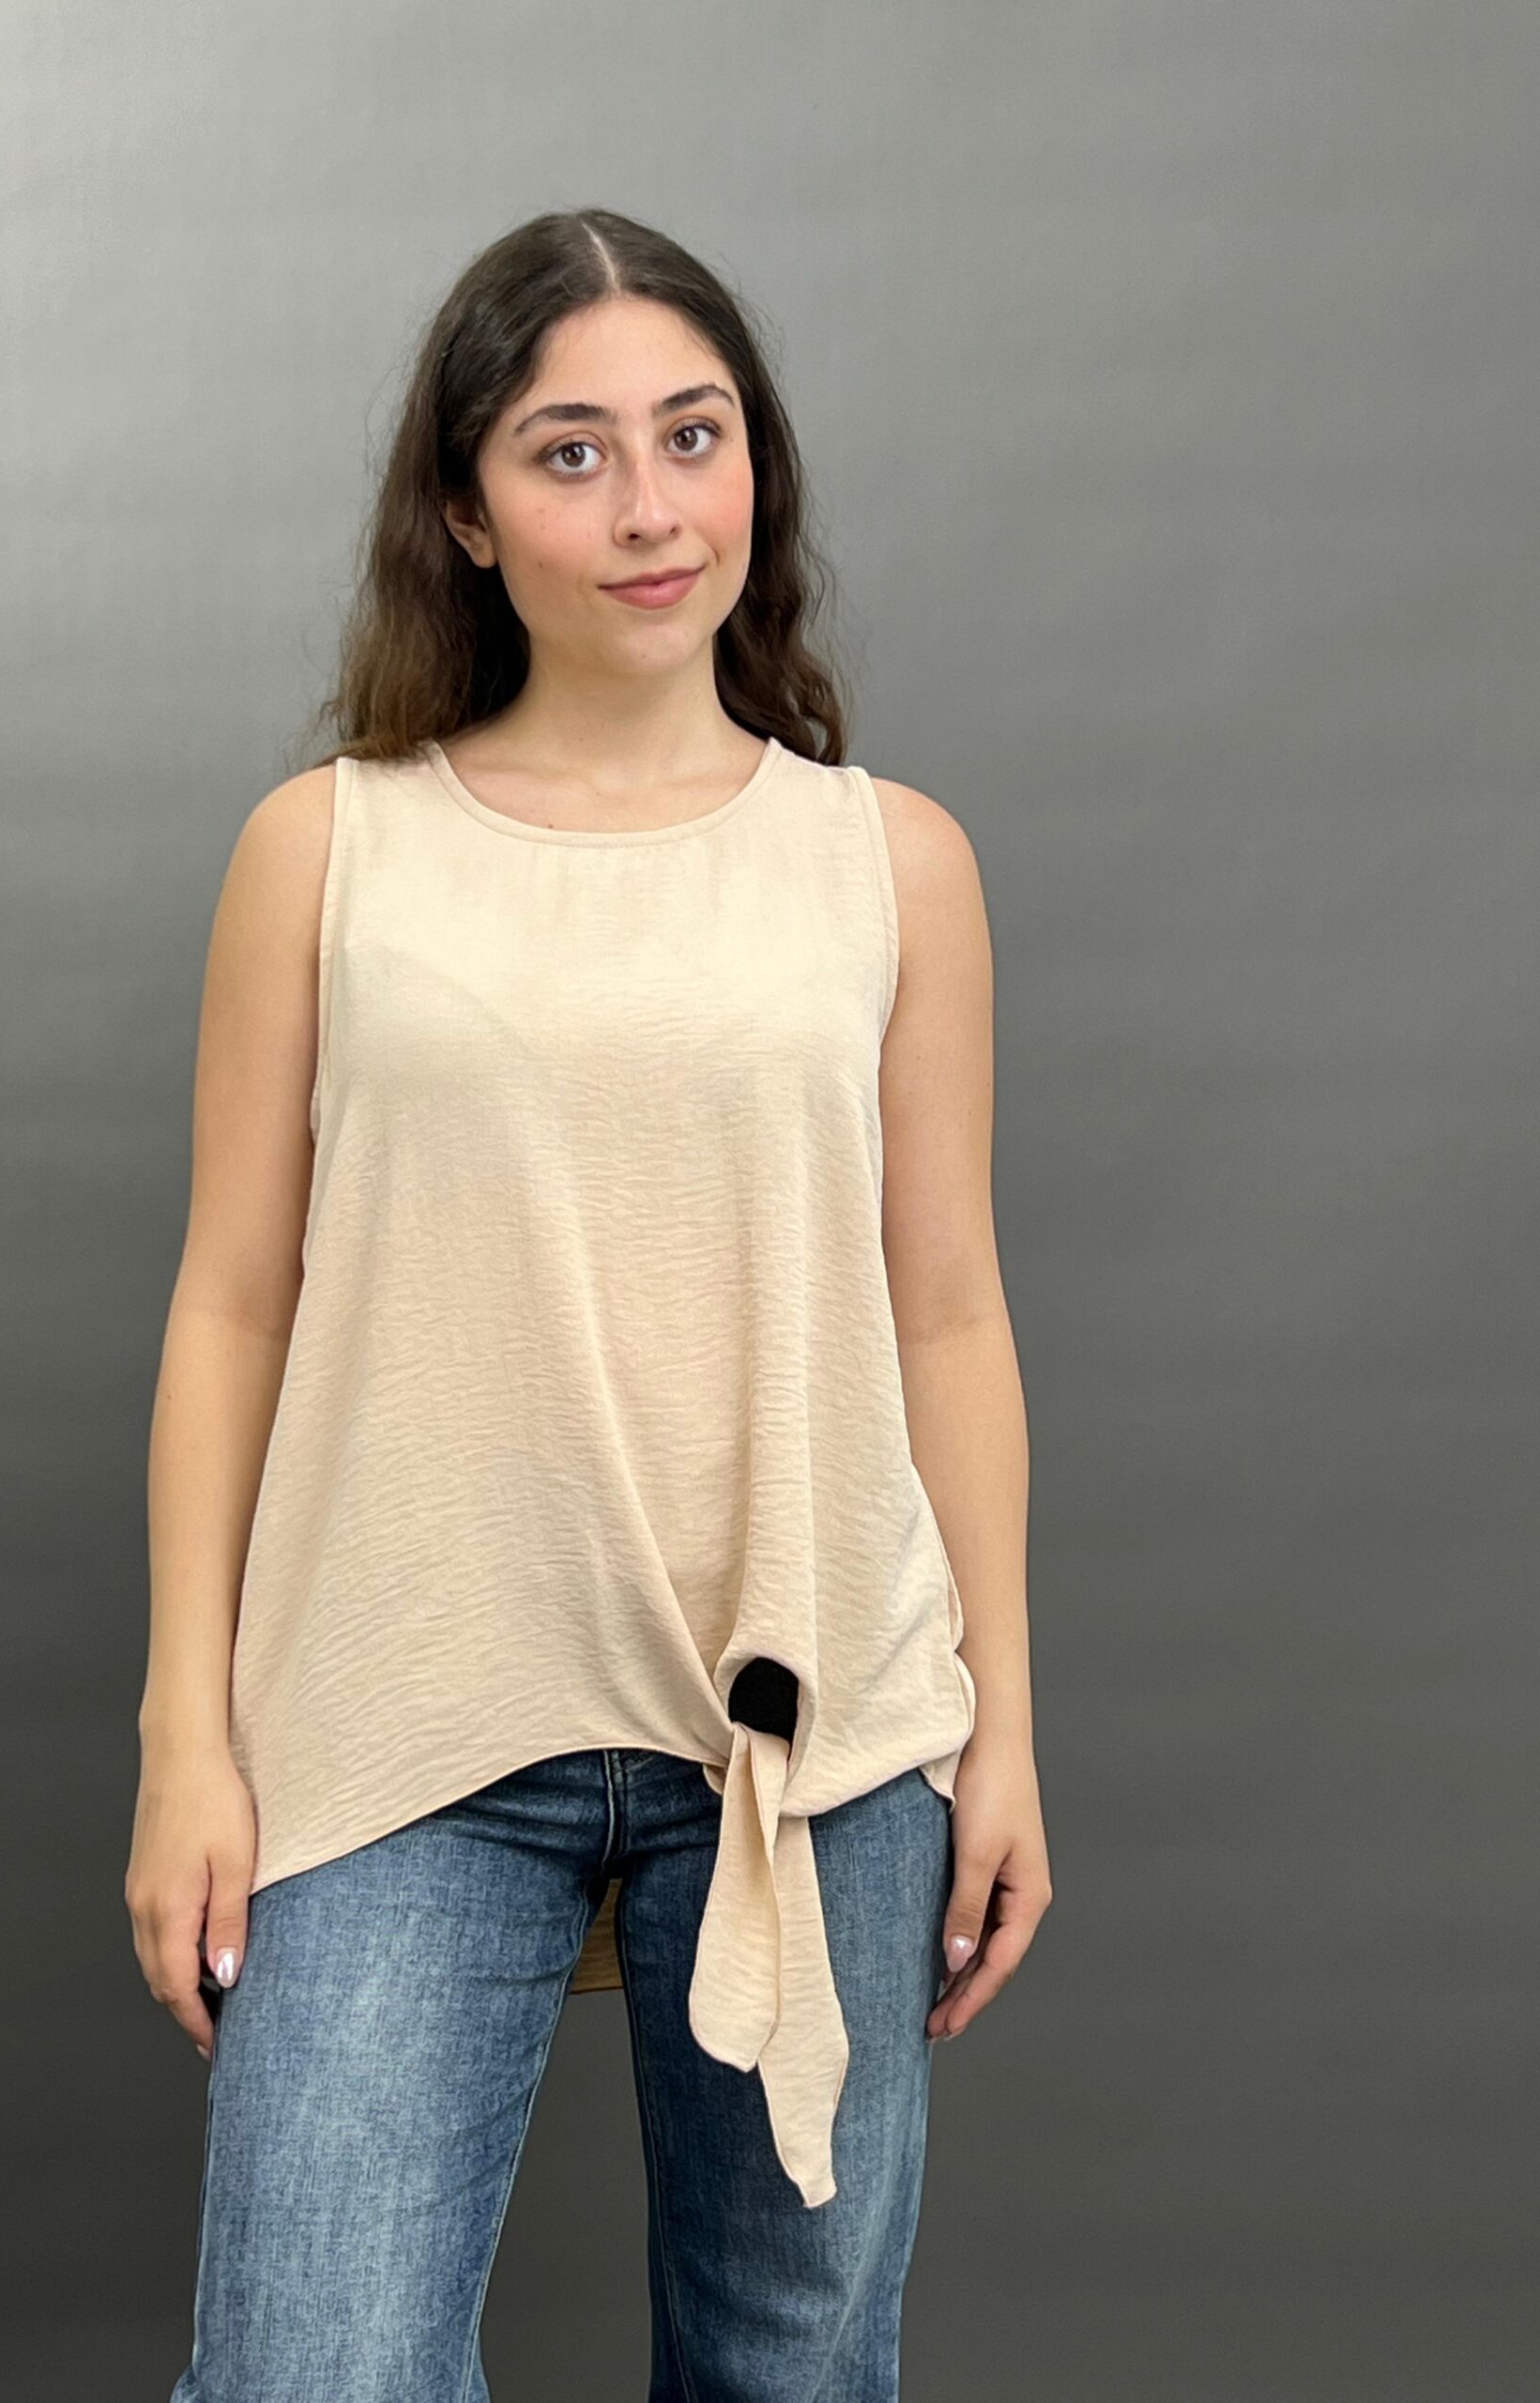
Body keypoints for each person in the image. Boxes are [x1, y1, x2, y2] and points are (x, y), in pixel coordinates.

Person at [129, 206, 1051, 2402]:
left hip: (819, 1734)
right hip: (405, 1710)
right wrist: (186, 1731)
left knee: (789, 2369)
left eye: (692, 435)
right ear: (463, 509)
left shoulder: (890, 861)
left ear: (757, 467)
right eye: (570, 450)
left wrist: (1003, 1719)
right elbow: (233, 1301)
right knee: (311, 2369)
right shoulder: (328, 850)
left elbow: (947, 1308)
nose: (650, 507)